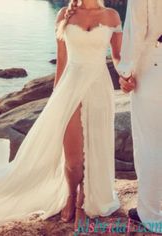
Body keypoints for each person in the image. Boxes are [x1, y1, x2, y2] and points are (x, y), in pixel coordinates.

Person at [0, 0, 122, 231]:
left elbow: (118, 57)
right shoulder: (64, 15)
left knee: (96, 148)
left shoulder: (111, 16)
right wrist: (55, 98)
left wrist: (127, 76)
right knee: (73, 159)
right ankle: (70, 196)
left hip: (99, 88)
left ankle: (83, 202)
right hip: (69, 90)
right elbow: (62, 62)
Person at [117, 0, 162, 233]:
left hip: (155, 65)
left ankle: (152, 215)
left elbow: (136, 30)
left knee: (150, 144)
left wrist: (126, 73)